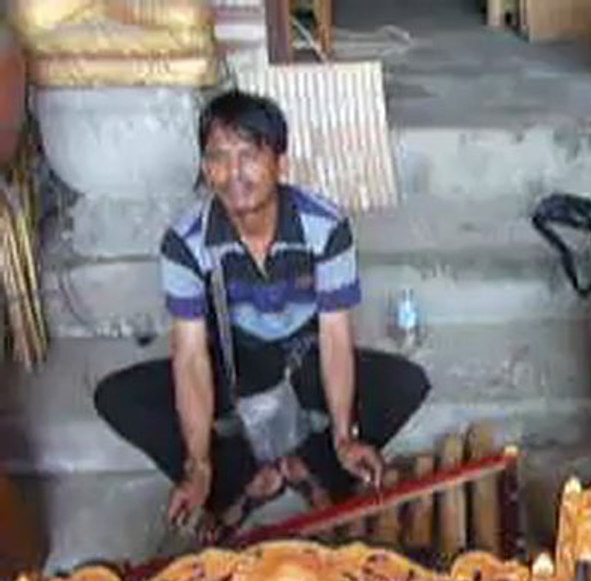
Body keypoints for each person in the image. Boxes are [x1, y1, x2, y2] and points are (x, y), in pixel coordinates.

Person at [95, 89, 430, 538]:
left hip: (305, 357)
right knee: (120, 397)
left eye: (249, 155)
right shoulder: (185, 242)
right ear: (204, 168)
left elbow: (334, 337)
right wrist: (197, 465)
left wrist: (344, 436)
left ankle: (303, 464)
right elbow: (191, 356)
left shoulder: (325, 227)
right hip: (235, 365)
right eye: (218, 157)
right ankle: (245, 476)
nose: (234, 173)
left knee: (404, 384)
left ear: (279, 162)